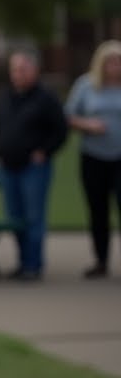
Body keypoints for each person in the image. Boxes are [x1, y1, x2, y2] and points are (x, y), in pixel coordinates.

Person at [0, 49, 68, 281]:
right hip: (8, 166)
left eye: (23, 69)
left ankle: (33, 265)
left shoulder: (46, 97)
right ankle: (22, 262)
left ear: (34, 70)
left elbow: (61, 130)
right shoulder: (5, 96)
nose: (18, 74)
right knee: (15, 217)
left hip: (34, 168)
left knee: (33, 217)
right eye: (14, 70)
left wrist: (45, 151)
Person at [65, 39, 121, 279]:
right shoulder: (86, 85)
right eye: (111, 62)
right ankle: (101, 260)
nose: (116, 66)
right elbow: (68, 116)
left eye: (119, 62)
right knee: (98, 210)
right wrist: (88, 124)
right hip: (94, 156)